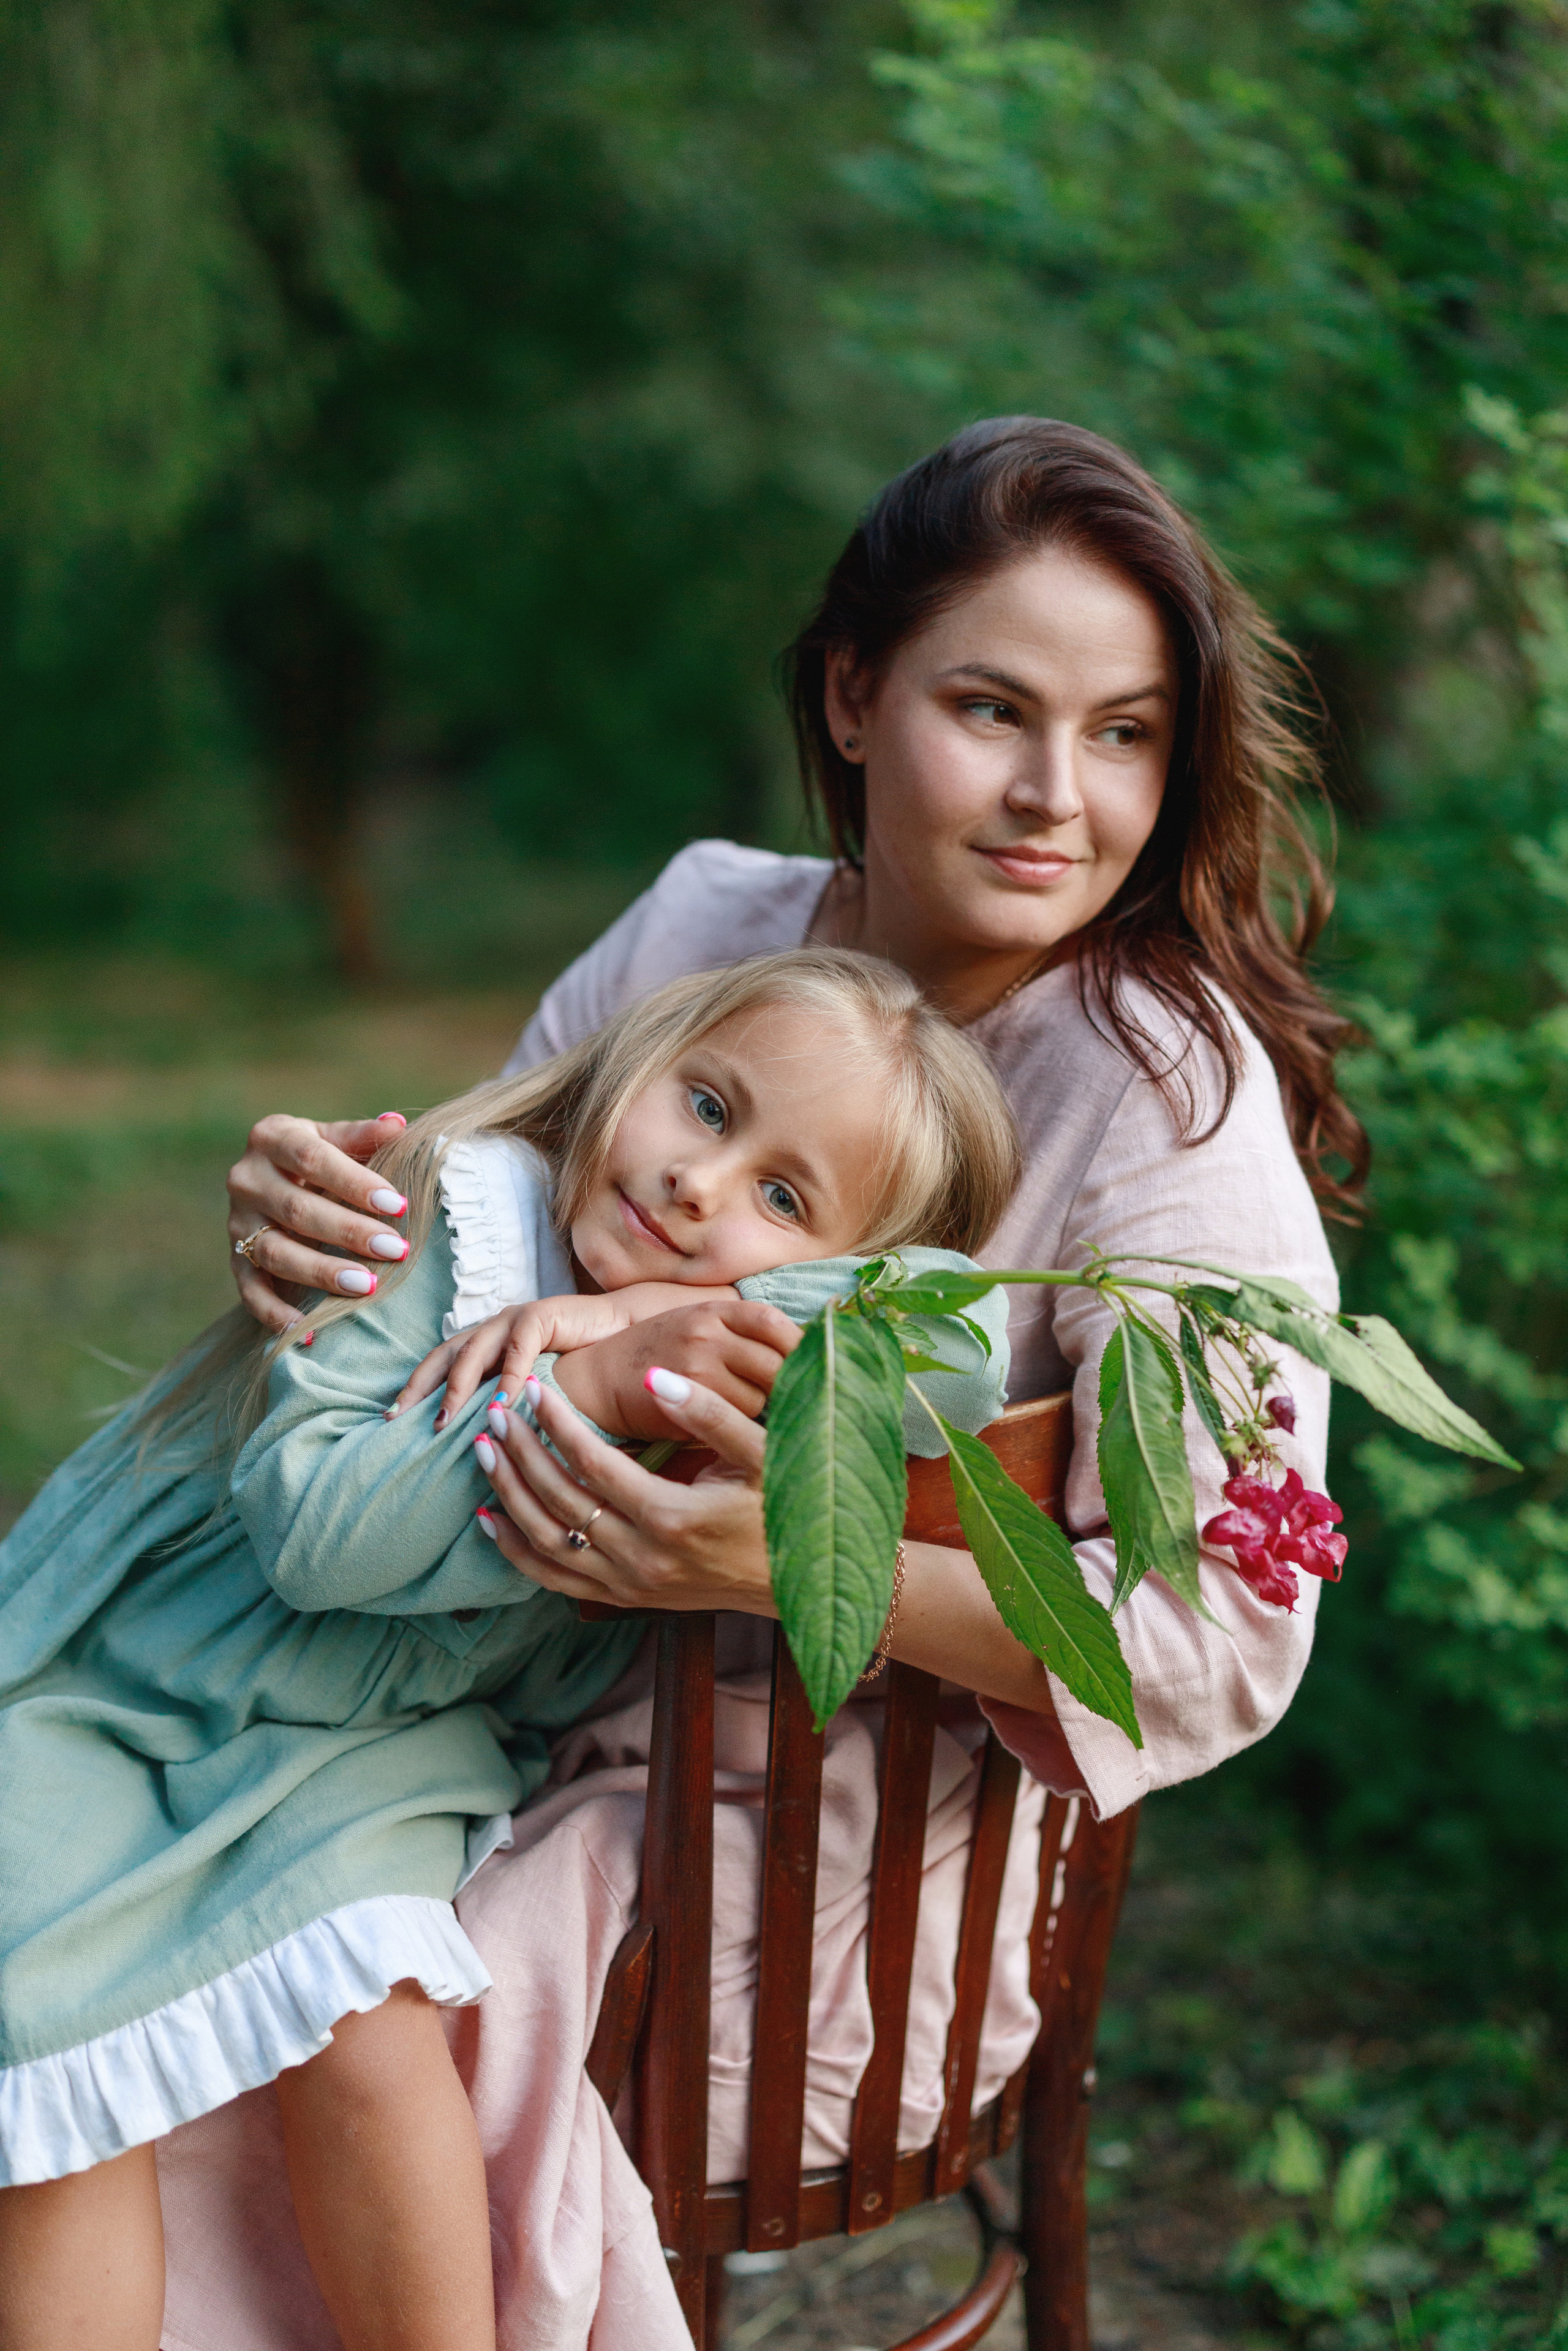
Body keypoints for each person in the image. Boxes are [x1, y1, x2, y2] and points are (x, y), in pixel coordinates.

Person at [178, 414, 1362, 2350]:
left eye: (1131, 732)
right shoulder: (708, 927)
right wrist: (317, 1235)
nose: (1060, 796)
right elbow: (482, 1234)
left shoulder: (1169, 1117)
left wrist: (782, 1564)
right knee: (130, 1936)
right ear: (852, 690)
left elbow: (1226, 1630)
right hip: (480, 1703)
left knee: (274, 2003)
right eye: (993, 706)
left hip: (828, 1893)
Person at [0, 948, 1022, 2351]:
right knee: (48, 2032)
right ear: (638, 1060)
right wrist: (583, 1383)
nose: (697, 1187)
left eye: (783, 1198)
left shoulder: (719, 1333)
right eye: (707, 1107)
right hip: (157, 1682)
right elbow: (318, 1538)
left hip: (376, 1749)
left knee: (372, 2008)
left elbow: (962, 1340)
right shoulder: (451, 1209)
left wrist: (630, 1327)